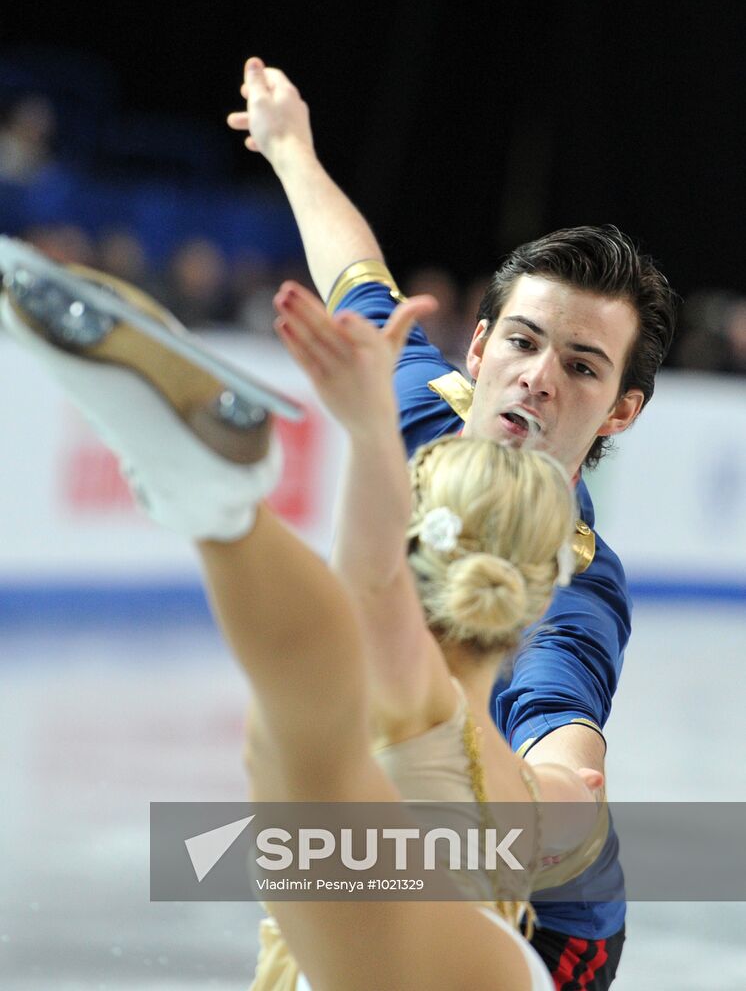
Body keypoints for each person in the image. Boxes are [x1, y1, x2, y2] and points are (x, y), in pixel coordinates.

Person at [1, 239, 607, 989]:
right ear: (544, 591)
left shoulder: (419, 693)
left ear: (423, 539)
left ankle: (221, 511)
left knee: (307, 732)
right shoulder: (522, 780)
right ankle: (218, 510)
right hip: (484, 961)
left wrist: (367, 431)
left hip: (439, 949)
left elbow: (366, 586)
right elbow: (574, 796)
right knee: (308, 761)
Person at [228, 57, 679, 989]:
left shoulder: (575, 577)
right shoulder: (414, 396)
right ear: (479, 346)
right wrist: (290, 146)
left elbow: (564, 748)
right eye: (522, 341)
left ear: (621, 412)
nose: (538, 377)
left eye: (584, 368)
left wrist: (545, 785)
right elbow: (354, 270)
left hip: (552, 924)